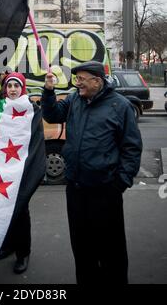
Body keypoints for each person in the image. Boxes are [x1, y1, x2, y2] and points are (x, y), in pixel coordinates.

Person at [41, 61, 142, 284]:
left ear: (97, 81)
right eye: (76, 79)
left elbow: (132, 148)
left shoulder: (120, 106)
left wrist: (121, 182)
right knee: (82, 246)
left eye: (82, 80)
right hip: (76, 188)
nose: (77, 84)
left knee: (110, 249)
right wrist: (49, 91)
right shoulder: (75, 100)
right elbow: (52, 115)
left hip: (106, 190)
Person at [0, 72, 45, 274]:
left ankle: (23, 253)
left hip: (22, 169)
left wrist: (26, 167)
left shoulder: (32, 109)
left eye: (16, 86)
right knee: (3, 209)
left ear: (22, 88)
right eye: (9, 86)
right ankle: (8, 245)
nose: (13, 89)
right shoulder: (1, 108)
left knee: (20, 210)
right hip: (3, 168)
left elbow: (35, 140)